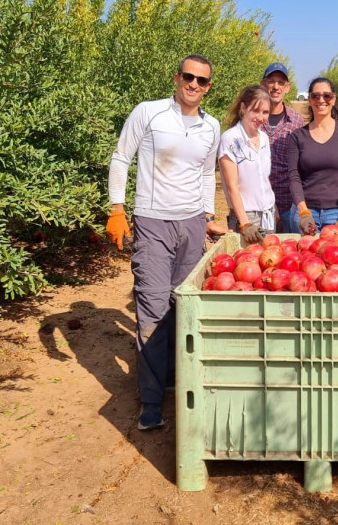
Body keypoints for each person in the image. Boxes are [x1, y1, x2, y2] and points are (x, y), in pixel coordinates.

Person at [105, 54, 223, 431]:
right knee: (153, 307)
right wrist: (117, 208)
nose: (194, 85)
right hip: (153, 220)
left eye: (202, 80)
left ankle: (176, 379)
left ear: (208, 87)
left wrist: (206, 216)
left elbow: (207, 174)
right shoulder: (149, 113)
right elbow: (122, 157)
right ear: (176, 78)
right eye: (188, 77)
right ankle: (152, 399)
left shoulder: (212, 126)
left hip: (191, 224)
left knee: (184, 305)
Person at [287, 77, 338, 234]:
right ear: (309, 99)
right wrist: (303, 212)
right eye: (315, 96)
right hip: (306, 211)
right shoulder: (297, 136)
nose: (321, 100)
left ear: (333, 99)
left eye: (326, 96)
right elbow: (294, 176)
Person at [218, 84, 276, 244]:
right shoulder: (230, 139)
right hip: (246, 216)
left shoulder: (264, 138)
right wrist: (244, 223)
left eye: (265, 112)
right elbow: (232, 187)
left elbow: (264, 178)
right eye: (255, 111)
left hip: (267, 213)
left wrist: (273, 207)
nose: (261, 117)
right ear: (243, 108)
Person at [260, 62, 305, 232]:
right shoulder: (252, 118)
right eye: (271, 81)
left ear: (288, 87)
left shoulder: (296, 121)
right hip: (258, 205)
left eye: (281, 83)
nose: (276, 87)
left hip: (287, 203)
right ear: (263, 84)